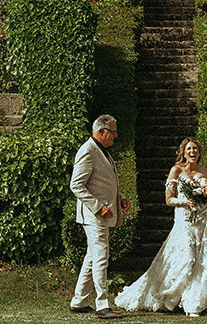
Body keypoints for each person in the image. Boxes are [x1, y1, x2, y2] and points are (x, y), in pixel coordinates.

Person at [114, 137, 207, 317]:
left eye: (195, 149)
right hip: (184, 222)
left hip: (203, 221)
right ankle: (168, 296)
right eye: (189, 149)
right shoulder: (176, 170)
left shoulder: (205, 171)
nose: (192, 152)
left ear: (199, 152)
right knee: (186, 259)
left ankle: (192, 302)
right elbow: (168, 199)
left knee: (201, 261)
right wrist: (184, 202)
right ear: (183, 152)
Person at [69, 114, 131, 319]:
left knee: (92, 257)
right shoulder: (87, 151)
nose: (116, 135)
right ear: (101, 132)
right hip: (94, 216)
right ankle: (102, 304)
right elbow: (76, 185)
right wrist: (98, 207)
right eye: (112, 131)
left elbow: (105, 182)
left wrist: (120, 197)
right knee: (101, 258)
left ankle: (79, 301)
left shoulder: (101, 151)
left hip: (101, 213)